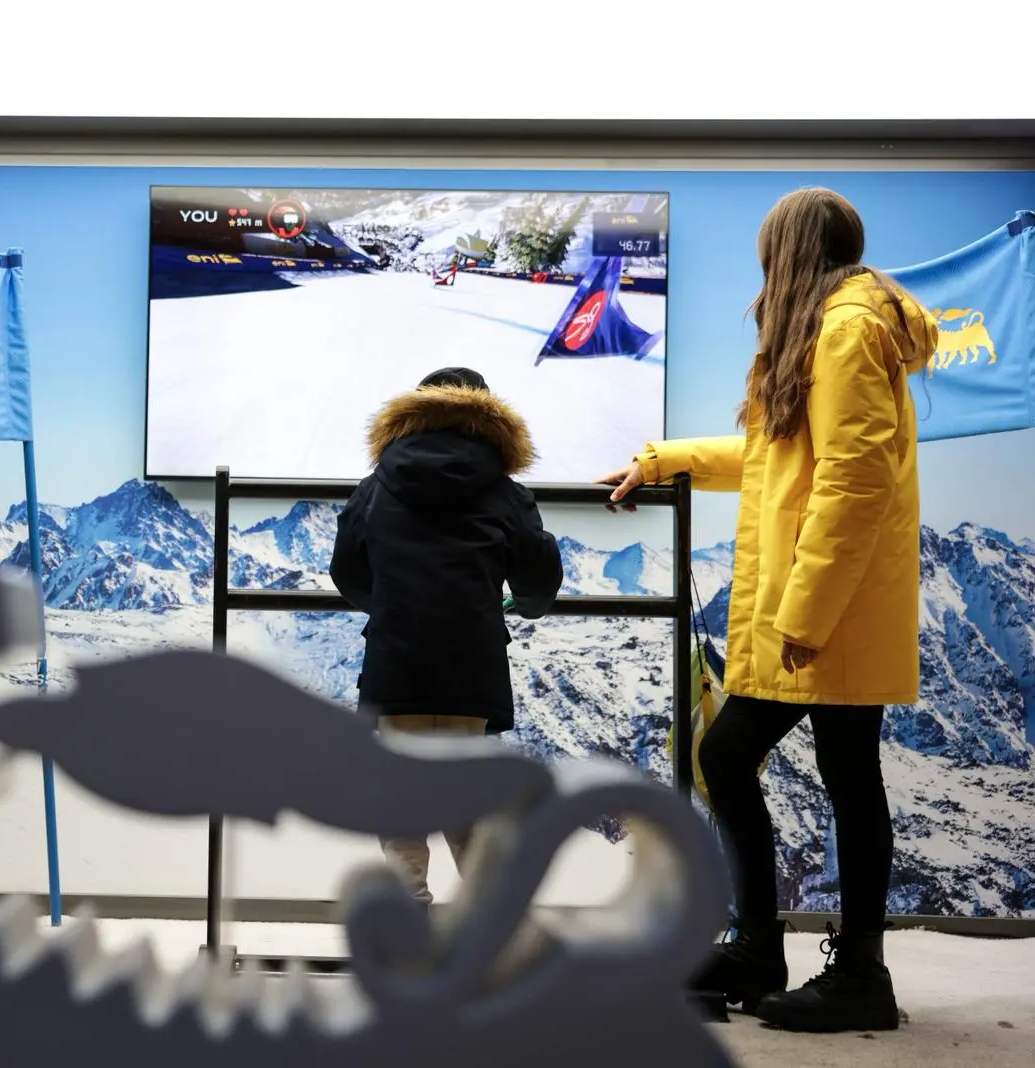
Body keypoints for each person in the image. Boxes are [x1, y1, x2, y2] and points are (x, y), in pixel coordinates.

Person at [598, 187, 936, 1034]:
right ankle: (808, 956)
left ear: (789, 254)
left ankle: (815, 961)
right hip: (833, 600)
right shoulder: (841, 325)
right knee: (839, 773)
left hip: (830, 605)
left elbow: (851, 482)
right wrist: (665, 459)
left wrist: (804, 612)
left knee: (748, 756)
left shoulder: (847, 330)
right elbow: (780, 454)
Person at [331, 366, 563, 907]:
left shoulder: (375, 488)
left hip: (397, 661)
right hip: (470, 665)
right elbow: (538, 579)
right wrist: (522, 605)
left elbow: (347, 572)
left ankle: (410, 914)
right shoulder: (505, 493)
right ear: (488, 421)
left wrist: (386, 606)